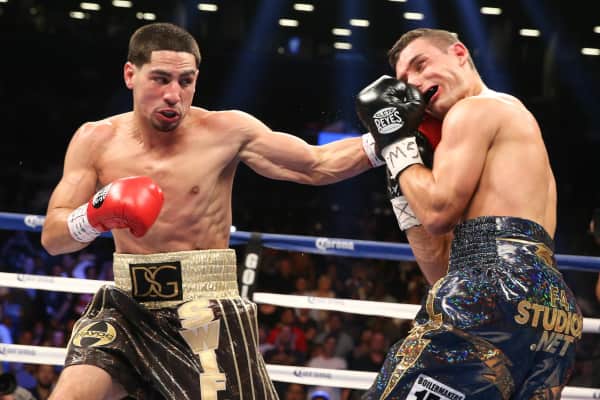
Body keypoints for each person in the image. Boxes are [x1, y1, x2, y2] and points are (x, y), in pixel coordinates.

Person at [40, 22, 381, 400]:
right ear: (130, 75)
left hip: (206, 308)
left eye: (185, 81)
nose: (173, 94)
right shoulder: (95, 140)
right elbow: (53, 238)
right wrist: (93, 216)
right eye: (160, 79)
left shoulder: (226, 131)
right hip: (128, 308)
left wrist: (390, 138)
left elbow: (316, 164)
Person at [355, 28, 583, 399]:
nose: (414, 84)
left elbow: (437, 212)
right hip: (553, 311)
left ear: (460, 53)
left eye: (421, 64)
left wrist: (396, 144)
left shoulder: (472, 109)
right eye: (405, 81)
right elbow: (446, 266)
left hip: (494, 290)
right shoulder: (514, 117)